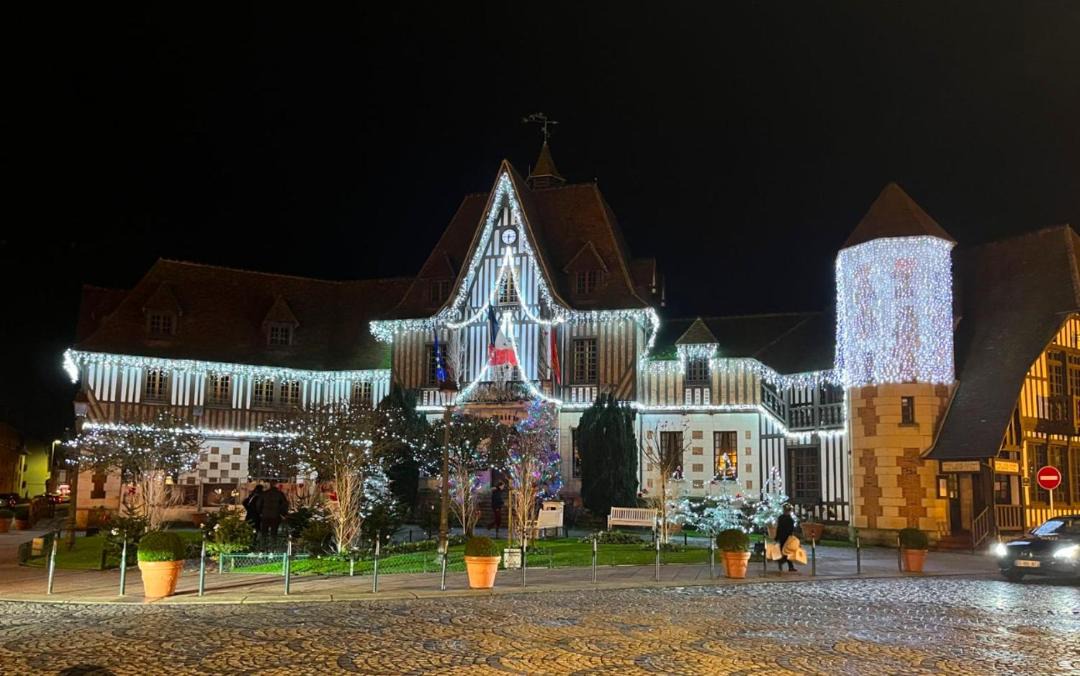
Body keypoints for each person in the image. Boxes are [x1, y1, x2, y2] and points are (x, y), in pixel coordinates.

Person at [775, 503, 798, 572]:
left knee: (784, 551)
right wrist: (791, 537)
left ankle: (789, 565)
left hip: (781, 537)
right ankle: (782, 562)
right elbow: (791, 530)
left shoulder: (780, 517)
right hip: (787, 537)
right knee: (787, 551)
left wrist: (777, 537)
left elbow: (778, 528)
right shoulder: (790, 519)